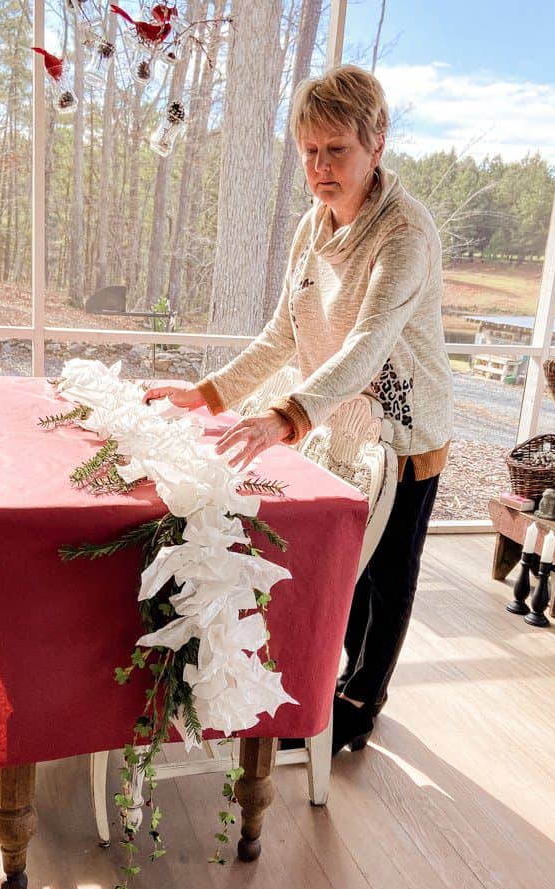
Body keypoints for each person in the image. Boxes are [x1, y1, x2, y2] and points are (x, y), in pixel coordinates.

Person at [143, 64, 453, 754]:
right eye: (308, 151)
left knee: (383, 577)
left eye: (335, 150)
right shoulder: (313, 226)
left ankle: (360, 705)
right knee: (340, 566)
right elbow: (283, 333)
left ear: (377, 143)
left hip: (403, 431)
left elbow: (369, 346)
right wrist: (208, 393)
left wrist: (286, 416)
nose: (319, 167)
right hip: (335, 418)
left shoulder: (405, 234)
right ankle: (322, 685)